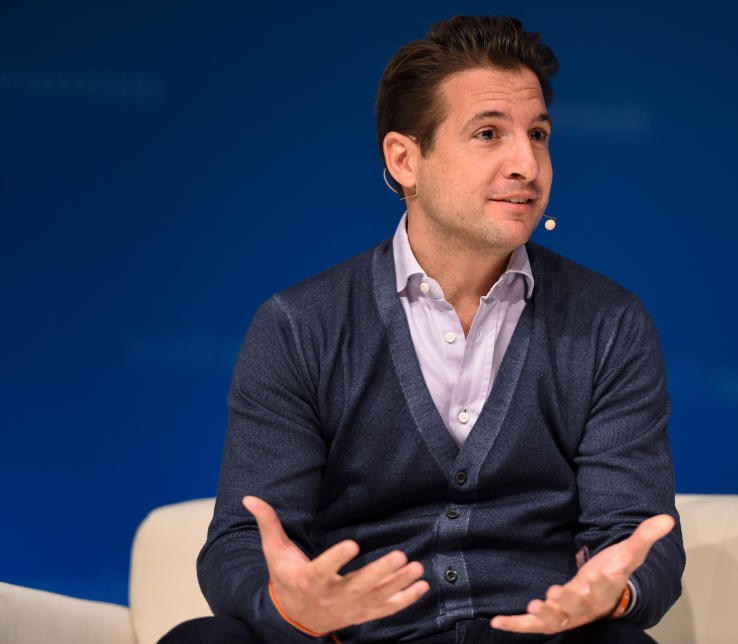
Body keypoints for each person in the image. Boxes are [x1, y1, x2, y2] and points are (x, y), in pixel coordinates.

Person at [162, 14, 684, 644]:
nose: (527, 162)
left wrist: (614, 590)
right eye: (489, 133)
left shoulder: (608, 322)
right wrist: (293, 605)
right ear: (405, 158)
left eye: (538, 134)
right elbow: (241, 543)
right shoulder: (300, 326)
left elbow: (635, 535)